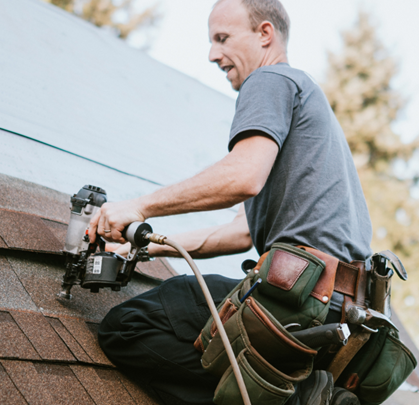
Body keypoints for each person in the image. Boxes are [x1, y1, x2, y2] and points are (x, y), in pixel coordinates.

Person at [90, 0, 372, 403]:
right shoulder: (306, 103)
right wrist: (146, 243)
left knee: (127, 327)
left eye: (222, 38)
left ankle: (293, 398)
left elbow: (243, 176)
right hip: (342, 312)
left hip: (302, 301)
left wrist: (139, 207)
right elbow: (240, 232)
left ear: (264, 34)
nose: (212, 54)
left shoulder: (271, 81)